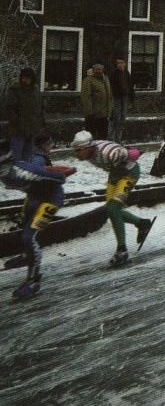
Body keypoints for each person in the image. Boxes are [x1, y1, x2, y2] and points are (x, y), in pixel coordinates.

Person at [0, 133, 75, 300]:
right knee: (24, 228)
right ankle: (29, 256)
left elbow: (59, 177)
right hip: (34, 197)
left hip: (50, 199)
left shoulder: (23, 171)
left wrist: (62, 172)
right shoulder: (13, 167)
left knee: (29, 237)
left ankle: (33, 280)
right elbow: (20, 138)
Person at [70, 130, 155, 266]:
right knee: (111, 210)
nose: (76, 154)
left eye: (78, 150)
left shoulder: (109, 151)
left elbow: (131, 153)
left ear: (87, 147)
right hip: (115, 176)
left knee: (114, 208)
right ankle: (142, 223)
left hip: (129, 174)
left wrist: (135, 152)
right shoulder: (90, 152)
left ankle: (122, 250)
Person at [5, 66, 44, 161]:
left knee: (28, 155)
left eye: (27, 78)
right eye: (23, 77)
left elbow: (40, 106)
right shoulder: (14, 90)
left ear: (32, 79)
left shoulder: (35, 90)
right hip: (18, 129)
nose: (25, 80)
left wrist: (40, 120)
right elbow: (9, 107)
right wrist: (15, 120)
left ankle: (25, 173)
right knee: (17, 156)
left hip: (31, 128)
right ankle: (16, 173)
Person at [81, 60, 112, 140]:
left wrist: (109, 111)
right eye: (96, 69)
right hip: (93, 115)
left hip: (104, 115)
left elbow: (109, 96)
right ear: (93, 69)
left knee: (103, 138)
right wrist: (89, 113)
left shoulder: (106, 79)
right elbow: (86, 97)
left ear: (103, 69)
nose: (99, 71)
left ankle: (101, 152)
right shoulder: (88, 80)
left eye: (100, 69)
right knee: (91, 138)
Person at [109, 57, 135, 143]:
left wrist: (132, 98)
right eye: (117, 63)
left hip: (125, 97)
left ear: (125, 63)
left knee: (122, 119)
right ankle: (112, 140)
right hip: (117, 98)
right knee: (116, 118)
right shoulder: (114, 73)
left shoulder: (127, 73)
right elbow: (112, 87)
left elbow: (130, 85)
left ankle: (118, 140)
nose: (119, 64)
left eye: (121, 62)